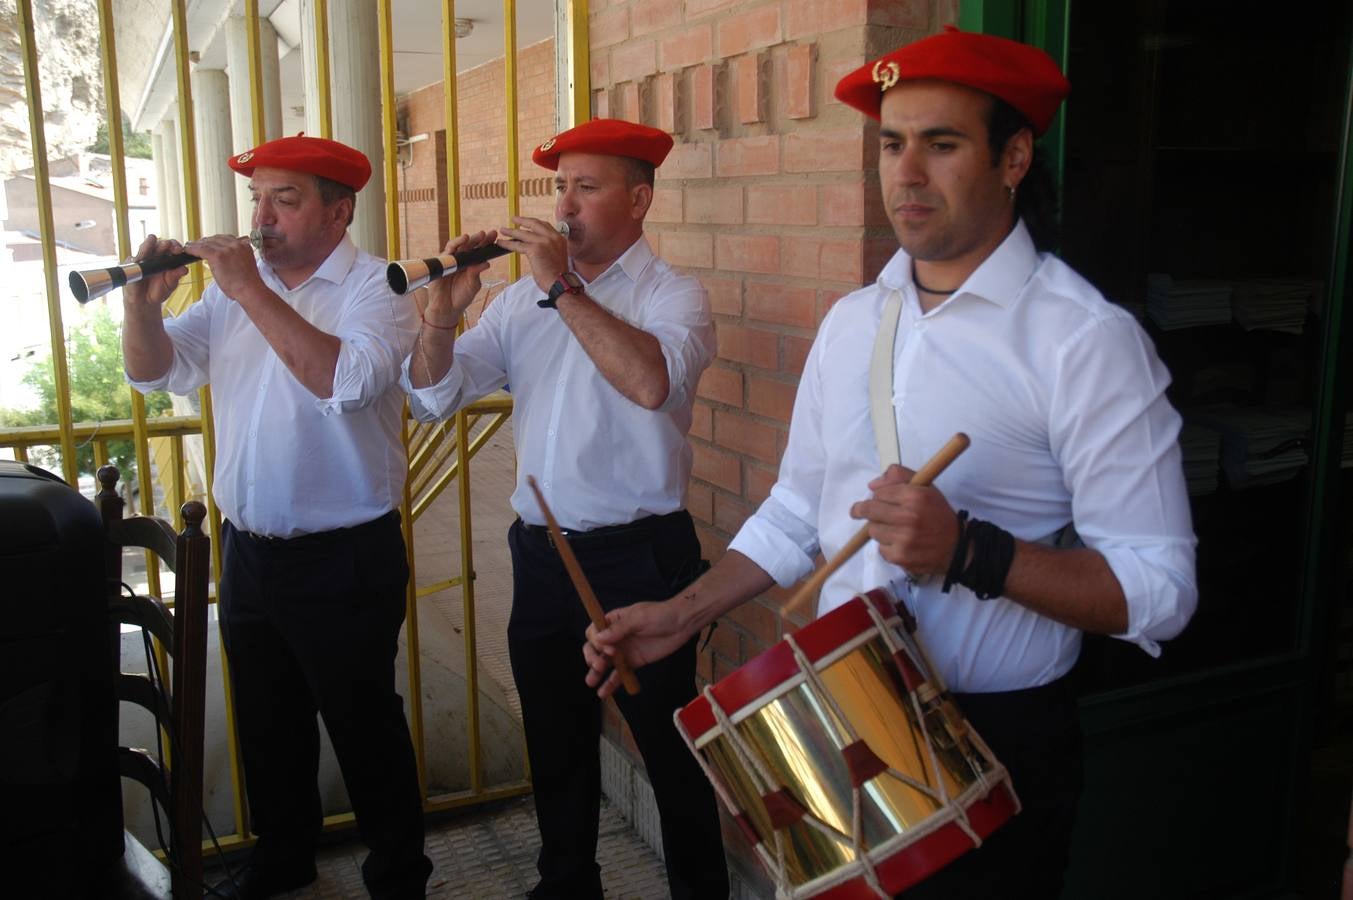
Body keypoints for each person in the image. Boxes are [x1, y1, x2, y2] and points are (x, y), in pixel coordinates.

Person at [584, 27, 1198, 899]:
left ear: (1013, 156)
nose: (905, 173)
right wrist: (682, 614)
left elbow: (1160, 591)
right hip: (845, 712)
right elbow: (801, 509)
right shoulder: (853, 322)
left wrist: (972, 554)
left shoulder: (1082, 341)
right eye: (890, 143)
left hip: (996, 738)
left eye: (941, 144)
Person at [400, 118, 729, 900]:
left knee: (668, 747)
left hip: (642, 556)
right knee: (555, 738)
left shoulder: (671, 294)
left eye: (586, 187)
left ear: (639, 199)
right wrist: (443, 312)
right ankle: (567, 884)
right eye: (559, 187)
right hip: (544, 551)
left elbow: (651, 383)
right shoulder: (517, 303)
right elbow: (434, 397)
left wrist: (561, 286)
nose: (565, 206)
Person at [121, 135, 429, 900]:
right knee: (267, 721)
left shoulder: (377, 287)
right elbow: (155, 370)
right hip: (251, 547)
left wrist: (251, 289)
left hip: (345, 553)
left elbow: (348, 382)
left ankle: (399, 878)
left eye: (283, 200)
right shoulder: (232, 289)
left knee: (364, 726)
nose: (261, 218)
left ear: (338, 210)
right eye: (256, 199)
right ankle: (283, 858)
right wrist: (140, 305)